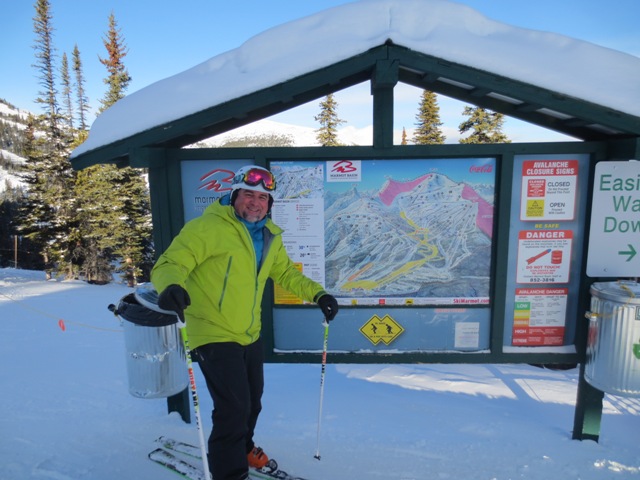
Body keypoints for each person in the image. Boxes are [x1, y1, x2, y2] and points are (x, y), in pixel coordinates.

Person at [151, 165, 338, 480]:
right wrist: (171, 286)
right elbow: (171, 263)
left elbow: (285, 274)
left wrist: (318, 295)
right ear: (235, 195)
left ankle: (244, 447)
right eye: (249, 194)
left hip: (249, 333)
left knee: (252, 403)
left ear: (270, 203)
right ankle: (230, 472)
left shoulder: (269, 235)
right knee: (233, 409)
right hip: (211, 331)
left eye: (263, 197)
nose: (255, 202)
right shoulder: (207, 228)